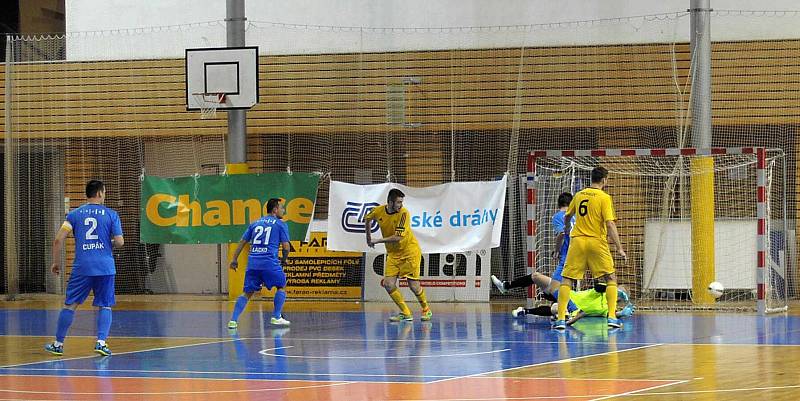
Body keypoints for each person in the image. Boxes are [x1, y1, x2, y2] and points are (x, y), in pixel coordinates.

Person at [45, 180, 124, 356]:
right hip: (105, 267)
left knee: (70, 306)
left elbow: (58, 240)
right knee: (105, 306)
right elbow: (119, 241)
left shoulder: (74, 215)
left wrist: (56, 263)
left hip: (82, 267)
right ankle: (101, 343)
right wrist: (106, 243)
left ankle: (58, 344)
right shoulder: (112, 214)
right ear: (100, 193)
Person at [555, 166, 627, 330]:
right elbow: (609, 224)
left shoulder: (579, 195)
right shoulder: (604, 197)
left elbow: (567, 216)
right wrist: (619, 248)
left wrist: (567, 230)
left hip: (578, 241)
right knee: (610, 278)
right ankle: (612, 317)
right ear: (604, 180)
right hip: (596, 242)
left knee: (567, 279)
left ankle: (560, 319)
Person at [364, 188, 431, 322]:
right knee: (388, 284)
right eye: (398, 202)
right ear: (390, 202)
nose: (401, 205)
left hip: (409, 252)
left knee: (413, 285)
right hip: (393, 254)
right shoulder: (378, 211)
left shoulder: (404, 213)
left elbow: (398, 237)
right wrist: (368, 237)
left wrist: (377, 240)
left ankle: (426, 309)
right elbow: (367, 219)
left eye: (401, 202)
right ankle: (406, 313)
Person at [492, 192, 574, 297]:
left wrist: (557, 251)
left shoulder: (559, 216)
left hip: (568, 260)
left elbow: (561, 234)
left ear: (558, 204)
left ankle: (573, 308)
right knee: (536, 277)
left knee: (553, 291)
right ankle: (506, 286)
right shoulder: (575, 217)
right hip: (575, 257)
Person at [227, 198, 291, 329]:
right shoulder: (280, 224)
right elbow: (286, 246)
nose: (283, 210)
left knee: (247, 293)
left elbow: (242, 242)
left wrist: (234, 259)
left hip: (253, 264)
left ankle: (233, 321)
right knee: (281, 285)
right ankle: (277, 316)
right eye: (282, 208)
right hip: (269, 262)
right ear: (275, 209)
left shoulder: (255, 223)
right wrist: (284, 260)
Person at [511, 280, 635, 325]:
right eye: (618, 292)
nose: (617, 296)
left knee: (556, 309)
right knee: (540, 281)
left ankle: (525, 311)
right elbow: (597, 287)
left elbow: (612, 314)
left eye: (620, 296)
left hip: (573, 310)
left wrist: (623, 314)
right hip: (568, 295)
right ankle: (511, 285)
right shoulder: (602, 291)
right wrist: (611, 289)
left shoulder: (608, 308)